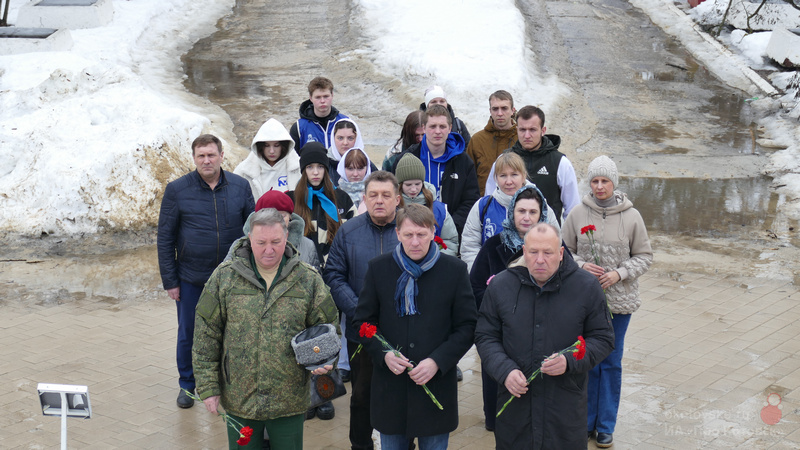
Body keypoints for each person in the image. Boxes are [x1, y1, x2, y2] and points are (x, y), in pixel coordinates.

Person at [192, 208, 339, 450]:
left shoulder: (307, 279)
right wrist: (208, 387)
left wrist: (325, 361)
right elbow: (205, 336)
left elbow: (329, 327)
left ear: (287, 238)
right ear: (249, 238)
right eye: (261, 242)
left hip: (288, 400)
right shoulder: (224, 278)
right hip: (240, 398)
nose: (269, 250)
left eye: (276, 242)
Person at [474, 223, 614, 449]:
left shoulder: (586, 287)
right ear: (524, 251)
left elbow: (603, 338)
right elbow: (485, 337)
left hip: (564, 410)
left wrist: (570, 361)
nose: (540, 260)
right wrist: (505, 371)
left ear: (560, 253)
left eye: (548, 253)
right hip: (516, 411)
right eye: (533, 252)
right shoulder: (501, 286)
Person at [354, 203, 477, 450]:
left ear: (433, 232)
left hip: (435, 387)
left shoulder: (454, 271)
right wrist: (384, 354)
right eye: (408, 235)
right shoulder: (379, 268)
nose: (415, 242)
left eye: (421, 234)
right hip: (391, 389)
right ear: (397, 234)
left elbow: (467, 327)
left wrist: (438, 361)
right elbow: (363, 322)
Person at [157, 134, 254, 409]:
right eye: (201, 156)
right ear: (194, 158)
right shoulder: (177, 190)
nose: (207, 160)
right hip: (191, 278)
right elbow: (165, 238)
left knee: (232, 332)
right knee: (189, 333)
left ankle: (226, 384)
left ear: (222, 155)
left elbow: (252, 232)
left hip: (232, 278)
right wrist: (170, 281)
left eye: (211, 155)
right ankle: (187, 385)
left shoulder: (240, 187)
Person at [562, 155, 653, 448]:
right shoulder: (577, 214)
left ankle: (605, 425)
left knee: (610, 362)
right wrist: (580, 265)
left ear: (614, 182)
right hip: (584, 303)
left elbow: (645, 256)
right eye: (595, 181)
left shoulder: (632, 216)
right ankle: (585, 421)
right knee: (586, 361)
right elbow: (562, 251)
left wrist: (620, 273)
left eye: (605, 181)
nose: (599, 186)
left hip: (619, 304)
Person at [323, 171, 402, 450]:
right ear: (364, 198)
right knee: (362, 397)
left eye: (386, 195)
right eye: (373, 195)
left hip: (402, 332)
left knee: (401, 395)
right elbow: (333, 275)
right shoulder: (349, 231)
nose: (379, 201)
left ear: (397, 199)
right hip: (362, 333)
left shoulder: (409, 230)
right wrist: (360, 311)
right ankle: (361, 444)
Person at [469, 185, 551, 431]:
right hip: (501, 336)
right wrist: (502, 300)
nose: (526, 217)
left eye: (532, 212)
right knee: (500, 418)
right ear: (511, 213)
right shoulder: (494, 246)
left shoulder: (554, 246)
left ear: (541, 215)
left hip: (541, 335)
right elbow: (475, 289)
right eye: (521, 211)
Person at [460, 153, 559, 271]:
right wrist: (481, 274)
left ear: (523, 176)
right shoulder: (483, 206)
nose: (508, 181)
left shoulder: (541, 207)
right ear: (495, 178)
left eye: (514, 175)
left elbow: (557, 244)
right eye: (503, 175)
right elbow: (469, 246)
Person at [391, 104, 479, 236]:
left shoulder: (464, 162)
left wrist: (450, 227)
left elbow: (470, 200)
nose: (438, 131)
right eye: (432, 126)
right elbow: (394, 196)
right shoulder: (406, 160)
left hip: (450, 234)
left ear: (450, 128)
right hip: (410, 233)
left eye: (442, 126)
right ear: (424, 128)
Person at [484, 105, 580, 224]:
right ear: (517, 129)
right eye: (522, 130)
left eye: (532, 130)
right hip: (505, 237)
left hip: (546, 236)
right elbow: (489, 200)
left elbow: (572, 209)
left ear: (543, 130)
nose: (527, 135)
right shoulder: (503, 160)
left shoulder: (560, 162)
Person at [287, 142, 355, 267]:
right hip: (300, 270)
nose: (316, 172)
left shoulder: (342, 199)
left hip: (335, 269)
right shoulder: (291, 199)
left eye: (320, 167)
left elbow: (354, 236)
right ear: (303, 170)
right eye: (310, 167)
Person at [225, 190, 320, 271]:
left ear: (290, 217)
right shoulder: (239, 246)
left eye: (282, 216)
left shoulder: (308, 246)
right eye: (268, 216)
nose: (276, 221)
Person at [395, 153, 458, 257]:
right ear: (400, 185)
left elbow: (450, 242)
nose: (414, 189)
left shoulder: (439, 209)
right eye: (408, 185)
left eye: (417, 184)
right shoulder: (392, 208)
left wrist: (436, 259)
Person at [465, 90, 518, 195]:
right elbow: (467, 179)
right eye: (495, 109)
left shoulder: (522, 139)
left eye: (504, 108)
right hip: (484, 205)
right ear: (490, 111)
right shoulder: (477, 140)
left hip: (518, 206)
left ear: (512, 110)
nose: (499, 113)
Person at [234, 118, 301, 197]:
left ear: (284, 146)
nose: (271, 151)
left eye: (276, 145)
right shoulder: (244, 171)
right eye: (267, 146)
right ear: (260, 146)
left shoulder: (299, 167)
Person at [289, 76, 349, 152]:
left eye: (326, 96)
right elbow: (293, 160)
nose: (322, 101)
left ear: (332, 95)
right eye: (318, 97)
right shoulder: (298, 128)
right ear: (311, 98)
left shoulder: (345, 122)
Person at [327, 119, 377, 186]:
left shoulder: (368, 165)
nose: (345, 143)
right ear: (333, 139)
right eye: (340, 138)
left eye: (350, 138)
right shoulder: (325, 165)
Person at [337, 147, 373, 213]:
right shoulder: (334, 194)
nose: (355, 174)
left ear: (367, 169)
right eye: (350, 169)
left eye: (360, 168)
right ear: (342, 169)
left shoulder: (375, 193)